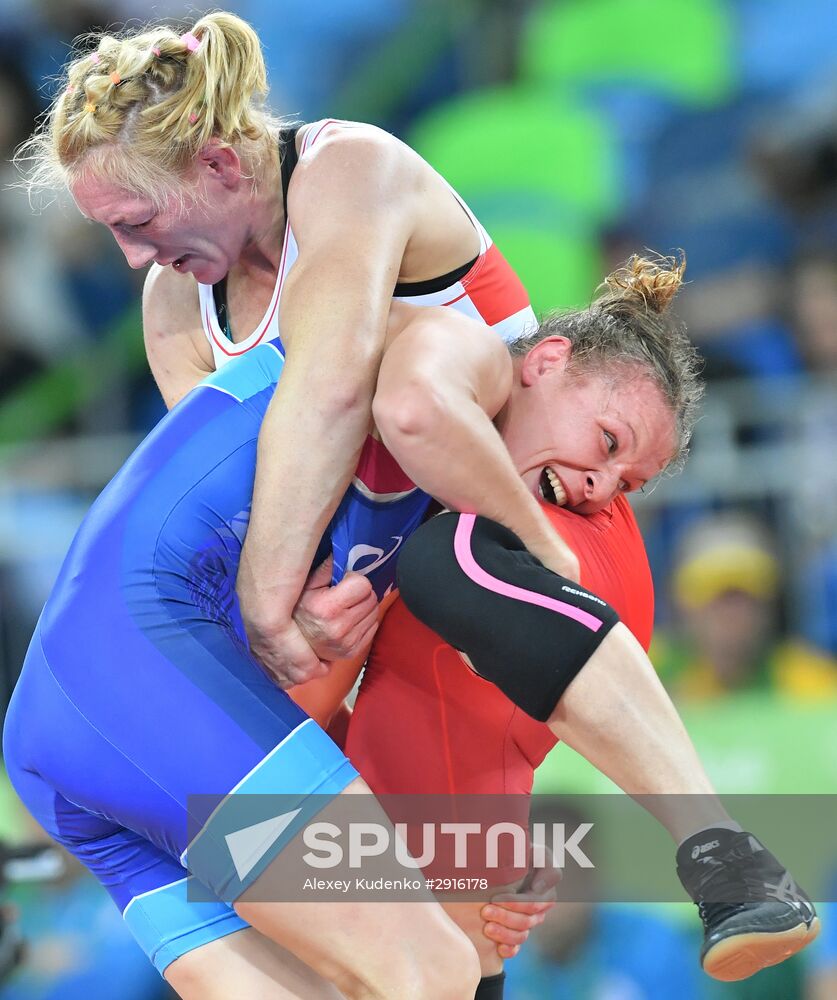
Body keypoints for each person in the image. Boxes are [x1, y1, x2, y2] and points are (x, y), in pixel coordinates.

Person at [3, 250, 707, 999]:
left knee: (348, 983)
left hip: (90, 733)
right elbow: (409, 408)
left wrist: (470, 862)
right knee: (435, 971)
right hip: (139, 677)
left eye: (627, 485)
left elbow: (359, 729)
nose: (600, 489)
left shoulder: (420, 520)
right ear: (547, 361)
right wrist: (545, 549)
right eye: (606, 441)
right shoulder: (452, 350)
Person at [17, 11, 582, 693]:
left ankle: (700, 804)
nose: (134, 258)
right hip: (389, 582)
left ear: (219, 164)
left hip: (534, 518)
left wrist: (266, 604)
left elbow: (331, 392)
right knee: (194, 769)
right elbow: (234, 499)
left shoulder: (350, 168)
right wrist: (300, 609)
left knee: (367, 740)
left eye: (137, 222)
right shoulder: (172, 301)